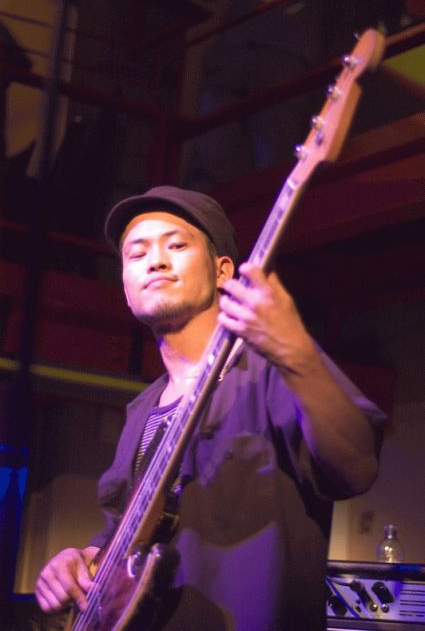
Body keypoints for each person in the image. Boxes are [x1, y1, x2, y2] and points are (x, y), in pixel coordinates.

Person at [35, 185, 386, 630]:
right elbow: (122, 537)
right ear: (125, 287)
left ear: (222, 271)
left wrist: (298, 354)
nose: (155, 261)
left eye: (177, 246)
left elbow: (355, 467)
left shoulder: (270, 370)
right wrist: (82, 562)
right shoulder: (142, 410)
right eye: (136, 254)